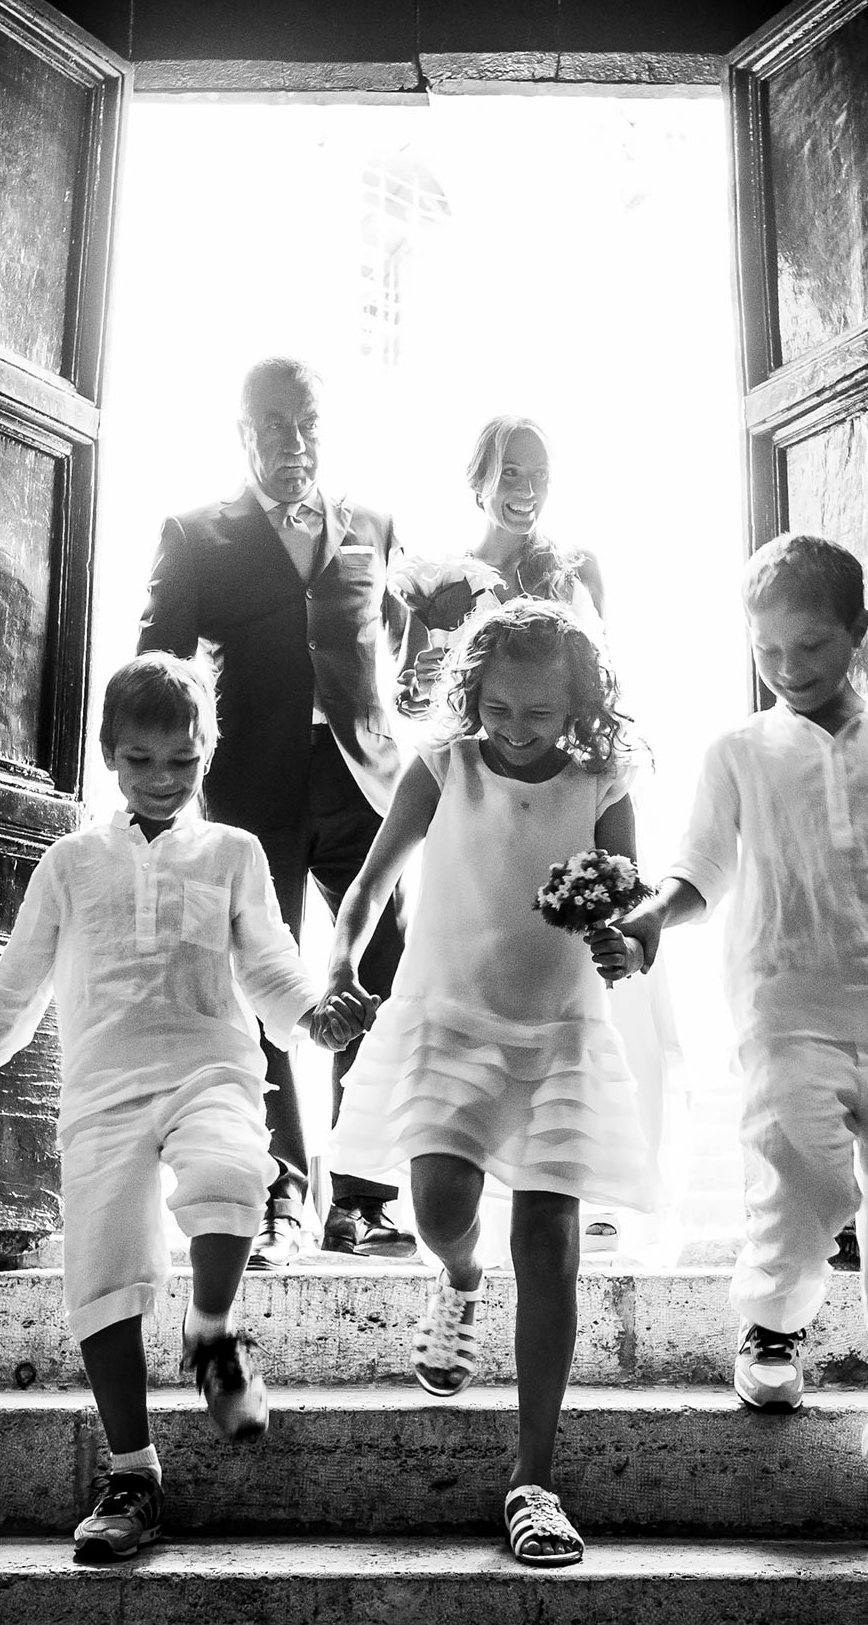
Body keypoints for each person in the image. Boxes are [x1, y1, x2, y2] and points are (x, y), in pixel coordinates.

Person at [0, 654, 362, 1564]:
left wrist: (312, 1013)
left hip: (210, 1070)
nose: (162, 778)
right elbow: (19, 982)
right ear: (109, 755)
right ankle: (131, 1473)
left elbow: (267, 965)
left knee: (230, 1173)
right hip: (103, 1089)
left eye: (182, 761)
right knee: (103, 1270)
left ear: (206, 754)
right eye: (142, 759)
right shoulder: (69, 864)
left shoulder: (235, 855)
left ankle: (213, 1333)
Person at [613, 532, 868, 1571]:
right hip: (784, 1011)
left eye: (811, 643)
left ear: (859, 632)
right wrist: (650, 921)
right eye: (769, 648)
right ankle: (774, 1320)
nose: (788, 664)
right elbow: (697, 868)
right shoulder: (741, 752)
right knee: (805, 1172)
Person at [325, 597, 661, 1567]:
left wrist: (618, 942)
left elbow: (629, 910)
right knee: (438, 1205)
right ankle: (460, 1274)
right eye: (501, 709)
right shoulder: (445, 767)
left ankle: (534, 1477)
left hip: (558, 1032)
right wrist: (344, 959)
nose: (517, 731)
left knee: (550, 1237)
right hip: (450, 1016)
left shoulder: (605, 779)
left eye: (540, 715)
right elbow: (372, 882)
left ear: (579, 709)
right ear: (473, 693)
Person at [139, 357, 415, 1267]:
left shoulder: (372, 522)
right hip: (250, 788)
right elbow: (156, 673)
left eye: (305, 422)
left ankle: (363, 1197)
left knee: (382, 959)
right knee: (260, 975)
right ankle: (280, 1193)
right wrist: (159, 799)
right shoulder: (194, 534)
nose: (291, 442)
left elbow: (399, 640)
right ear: (241, 432)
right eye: (272, 424)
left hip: (361, 781)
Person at [396, 415, 679, 1258]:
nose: (527, 486)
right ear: (477, 477)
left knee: (598, 968)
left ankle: (577, 1173)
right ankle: (462, 1217)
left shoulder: (579, 566)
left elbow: (603, 674)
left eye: (540, 472)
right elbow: (416, 702)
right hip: (485, 813)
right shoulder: (436, 583)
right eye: (511, 471)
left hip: (570, 795)